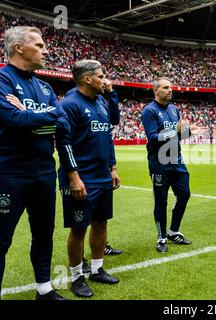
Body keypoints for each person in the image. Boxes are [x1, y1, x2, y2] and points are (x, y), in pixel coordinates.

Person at [0, 26, 78, 300]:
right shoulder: (2, 79)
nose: (46, 50)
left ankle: (44, 290)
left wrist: (31, 115)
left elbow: (64, 126)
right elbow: (14, 121)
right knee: (1, 240)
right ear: (19, 47)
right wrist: (46, 116)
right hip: (9, 174)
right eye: (40, 45)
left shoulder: (44, 86)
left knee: (44, 233)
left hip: (44, 173)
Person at [58, 60, 120, 298]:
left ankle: (96, 269)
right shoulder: (70, 104)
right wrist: (74, 177)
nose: (105, 80)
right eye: (101, 76)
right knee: (78, 228)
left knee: (101, 223)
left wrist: (112, 167)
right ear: (87, 79)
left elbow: (108, 136)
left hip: (102, 176)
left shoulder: (102, 103)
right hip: (81, 178)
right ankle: (75, 277)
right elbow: (64, 143)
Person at [141, 77, 192, 252]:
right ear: (156, 90)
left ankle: (173, 231)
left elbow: (182, 136)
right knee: (161, 202)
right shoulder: (149, 111)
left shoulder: (174, 109)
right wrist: (174, 130)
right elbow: (153, 138)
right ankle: (161, 237)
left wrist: (187, 129)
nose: (170, 90)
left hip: (177, 161)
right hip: (159, 164)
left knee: (184, 194)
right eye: (165, 87)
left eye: (171, 87)